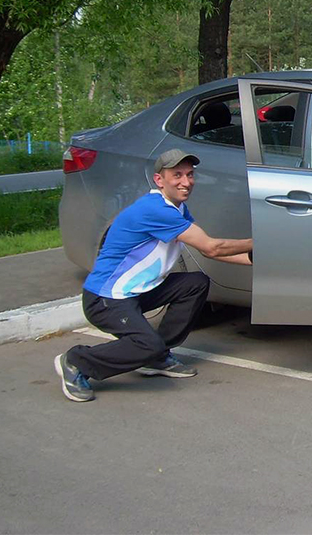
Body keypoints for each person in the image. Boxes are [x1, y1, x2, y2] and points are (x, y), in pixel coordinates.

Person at [54, 149, 253, 403]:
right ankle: (76, 362)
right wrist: (257, 243)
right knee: (147, 343)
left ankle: (157, 357)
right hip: (106, 298)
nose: (186, 181)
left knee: (195, 284)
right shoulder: (154, 210)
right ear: (160, 180)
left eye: (190, 175)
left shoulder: (177, 209)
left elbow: (211, 252)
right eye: (177, 175)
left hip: (138, 293)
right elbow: (211, 247)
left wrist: (255, 260)